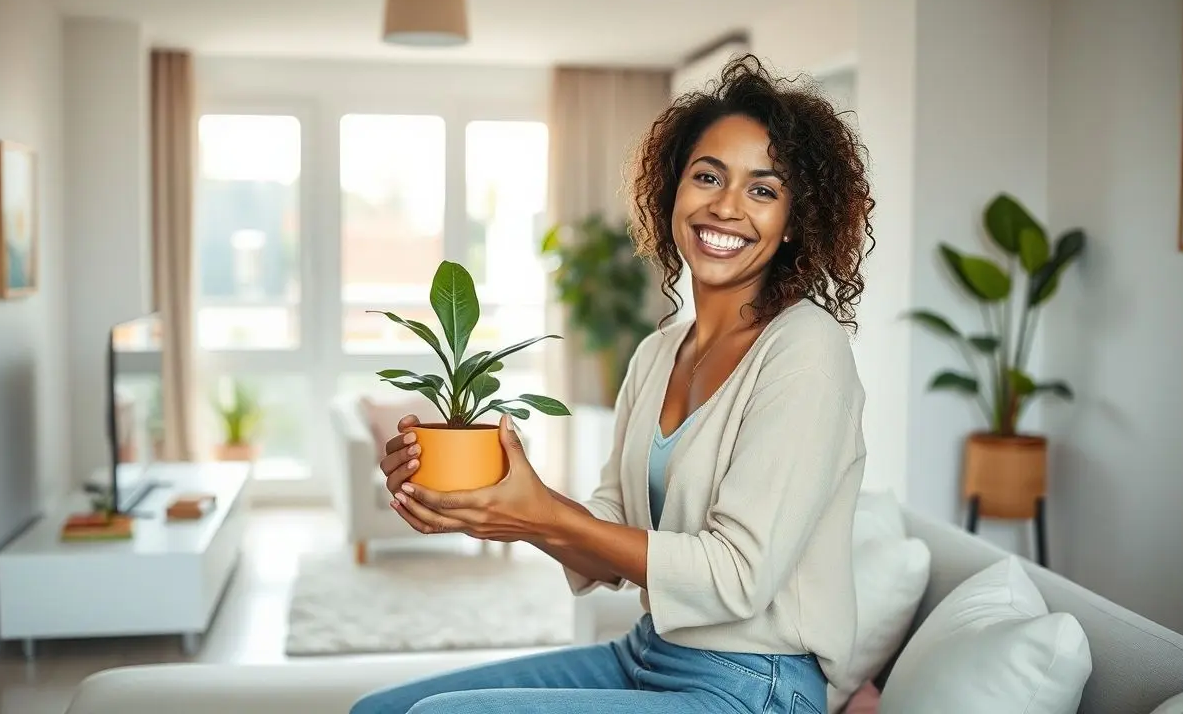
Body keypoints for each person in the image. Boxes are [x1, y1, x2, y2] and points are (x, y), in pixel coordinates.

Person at [352, 53, 875, 714]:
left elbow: (739, 578)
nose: (726, 206)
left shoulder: (806, 348)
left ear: (796, 219)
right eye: (707, 176)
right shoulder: (659, 354)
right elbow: (609, 541)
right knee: (378, 712)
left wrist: (541, 511)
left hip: (757, 683)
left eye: (763, 189)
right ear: (673, 192)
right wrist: (499, 502)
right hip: (648, 652)